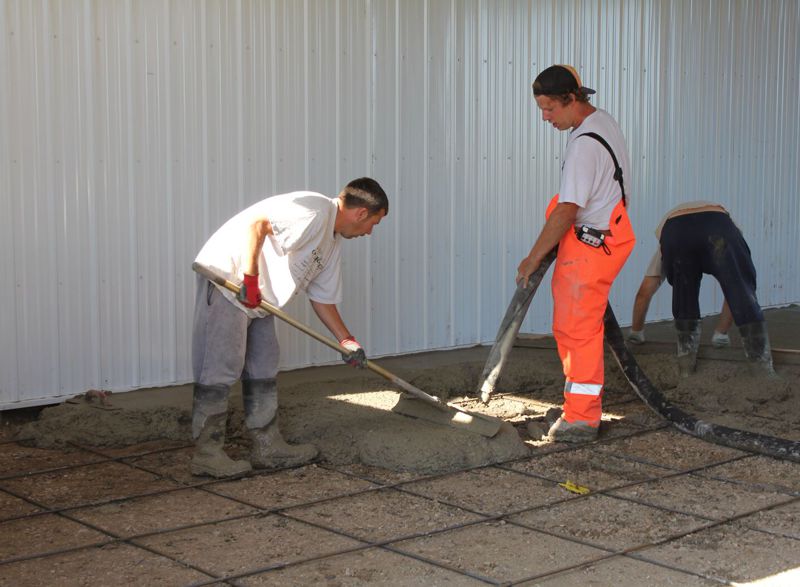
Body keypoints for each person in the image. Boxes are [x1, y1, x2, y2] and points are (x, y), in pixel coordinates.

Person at [191, 177, 388, 477]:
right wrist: (250, 279)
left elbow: (323, 299)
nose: (370, 232)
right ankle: (207, 454)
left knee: (264, 365)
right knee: (221, 367)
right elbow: (256, 225)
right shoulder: (314, 211)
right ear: (361, 213)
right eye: (374, 222)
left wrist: (347, 341)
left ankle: (267, 447)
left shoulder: (331, 242)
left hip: (259, 298)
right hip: (230, 283)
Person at [517, 65, 636, 443]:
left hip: (590, 245)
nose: (545, 118)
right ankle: (577, 406)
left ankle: (582, 418)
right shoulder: (603, 122)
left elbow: (568, 208)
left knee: (576, 330)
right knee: (578, 327)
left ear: (572, 99)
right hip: (603, 235)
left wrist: (534, 256)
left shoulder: (584, 144)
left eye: (550, 109)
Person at [627, 202, 775, 377]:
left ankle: (686, 369)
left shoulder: (666, 245)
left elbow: (644, 293)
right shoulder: (730, 229)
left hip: (676, 232)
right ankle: (763, 372)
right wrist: (721, 332)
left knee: (684, 295)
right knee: (739, 286)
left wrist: (636, 332)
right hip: (718, 226)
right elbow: (736, 288)